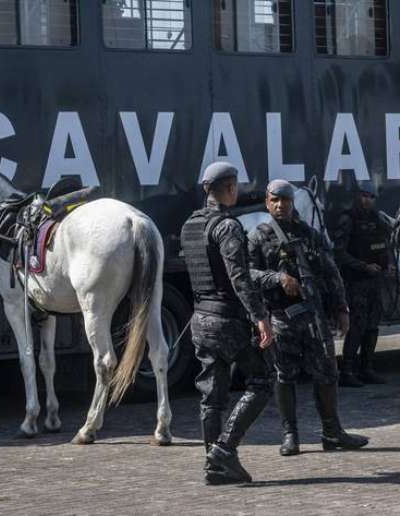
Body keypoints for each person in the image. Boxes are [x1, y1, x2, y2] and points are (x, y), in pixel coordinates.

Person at [248, 179, 368, 456]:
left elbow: (331, 272)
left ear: (292, 202)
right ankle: (290, 434)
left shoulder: (309, 234)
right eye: (275, 200)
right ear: (267, 203)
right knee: (284, 375)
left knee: (327, 373)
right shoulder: (258, 236)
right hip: (281, 317)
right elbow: (247, 274)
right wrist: (277, 278)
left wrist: (341, 308)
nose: (280, 205)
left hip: (314, 318)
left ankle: (332, 432)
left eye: (285, 200)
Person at [179, 161, 274, 485]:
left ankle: (214, 468)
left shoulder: (190, 224)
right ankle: (224, 449)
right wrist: (261, 317)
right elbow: (239, 278)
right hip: (226, 321)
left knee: (212, 396)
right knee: (262, 381)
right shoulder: (227, 226)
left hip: (199, 320)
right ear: (231, 188)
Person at [333, 181, 394, 387]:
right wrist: (363, 266)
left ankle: (367, 368)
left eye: (371, 197)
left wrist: (389, 265)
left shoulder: (377, 219)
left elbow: (386, 244)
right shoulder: (347, 219)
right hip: (355, 282)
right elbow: (339, 253)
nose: (367, 200)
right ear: (357, 197)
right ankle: (347, 371)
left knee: (372, 326)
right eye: (364, 196)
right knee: (356, 327)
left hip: (375, 281)